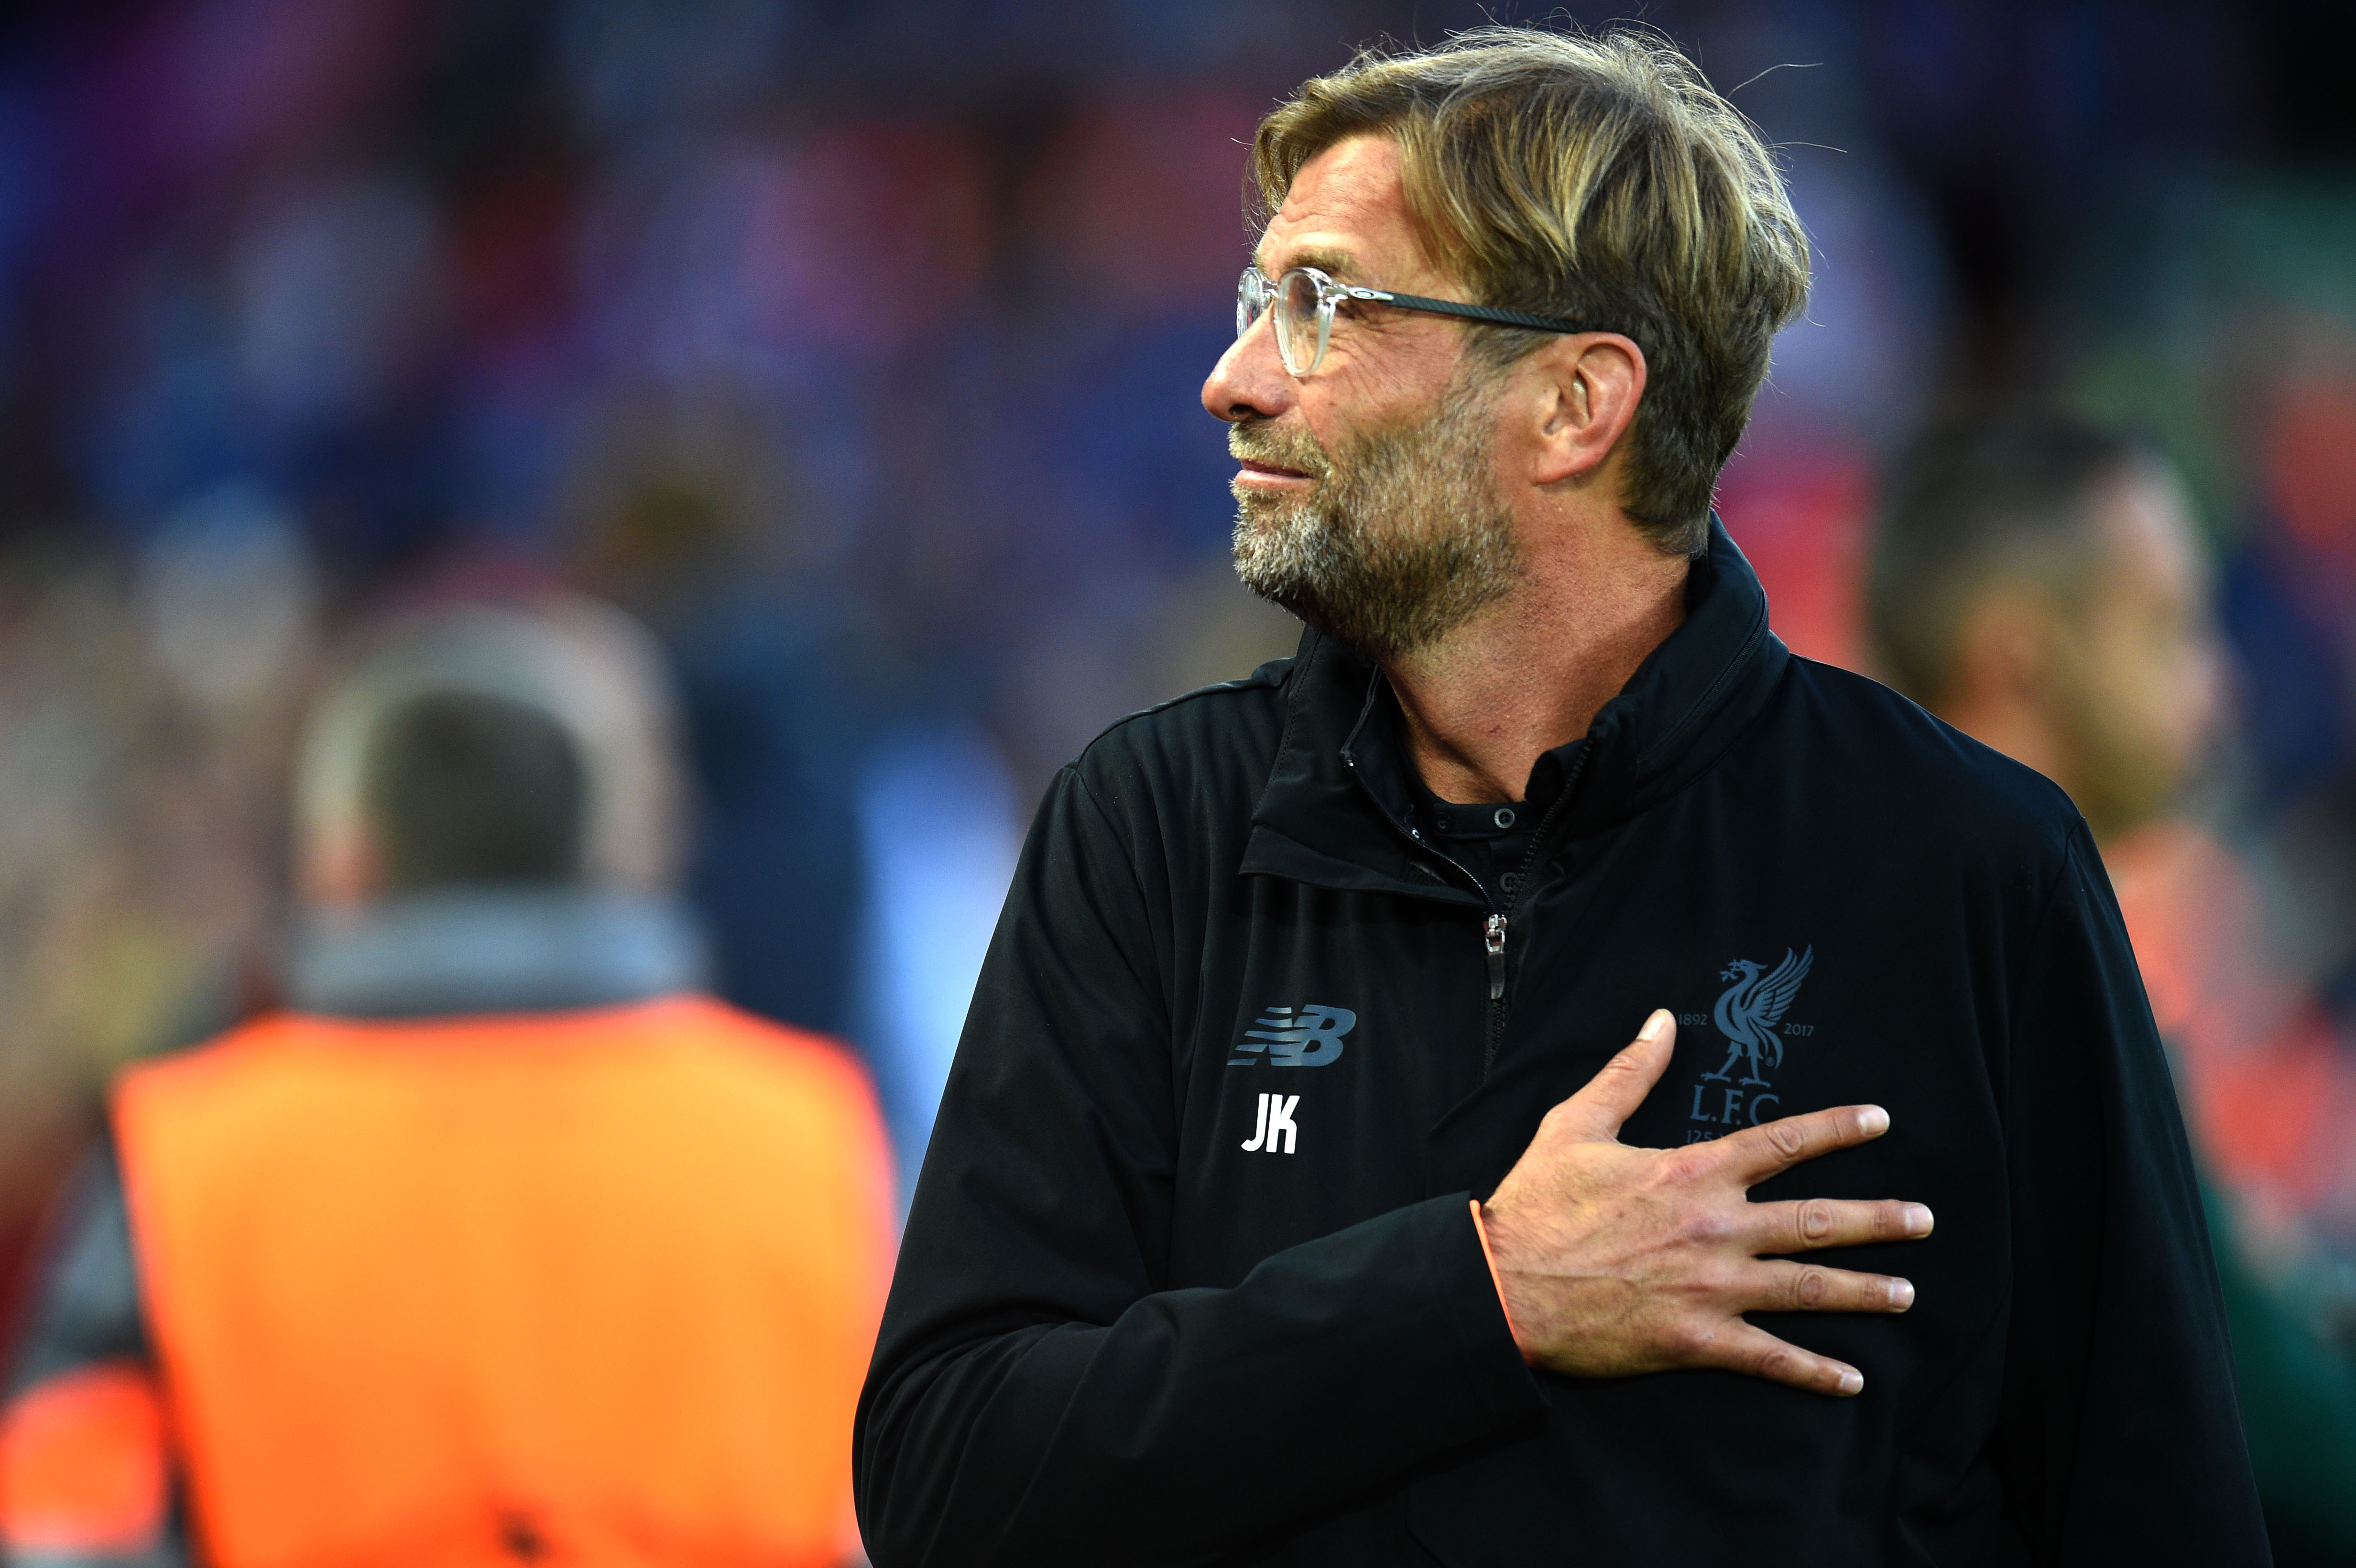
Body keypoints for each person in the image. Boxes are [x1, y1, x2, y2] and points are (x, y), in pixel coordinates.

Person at [854, 26, 2266, 1567]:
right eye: (1258, 301)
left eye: (1324, 305)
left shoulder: (1966, 865)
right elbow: (949, 1474)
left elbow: (2156, 1504)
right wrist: (1482, 1296)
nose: (1234, 380)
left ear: (1576, 403)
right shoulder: (1149, 826)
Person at [0, 599, 894, 1568]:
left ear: (348, 862)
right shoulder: (812, 1140)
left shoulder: (180, 1157)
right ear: (601, 856)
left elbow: (72, 1531)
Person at [1867, 413, 2356, 1565]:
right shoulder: (2010, 992)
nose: (2223, 685)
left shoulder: (1864, 912)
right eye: (2171, 625)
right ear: (2021, 654)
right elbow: (2289, 1452)